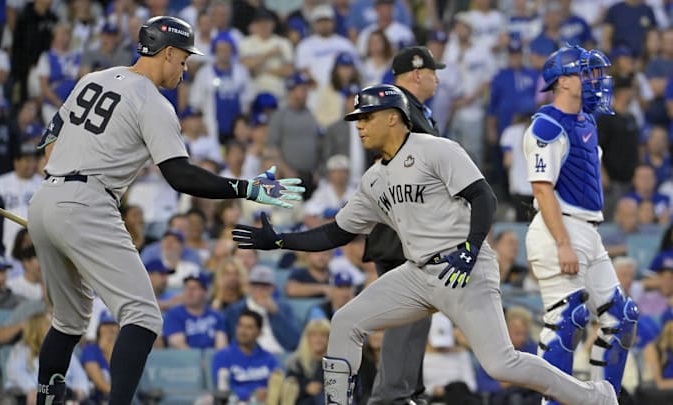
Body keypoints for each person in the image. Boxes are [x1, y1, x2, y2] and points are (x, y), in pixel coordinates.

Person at [232, 84, 617, 405]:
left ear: (393, 117)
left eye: (367, 117)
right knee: (346, 321)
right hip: (417, 273)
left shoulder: (436, 149)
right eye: (357, 119)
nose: (360, 126)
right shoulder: (372, 180)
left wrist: (469, 248)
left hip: (463, 268)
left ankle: (593, 397)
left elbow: (484, 197)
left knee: (501, 365)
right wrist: (280, 239)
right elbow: (336, 233)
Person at [27, 16, 304, 405]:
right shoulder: (152, 101)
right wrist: (247, 188)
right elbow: (180, 175)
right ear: (168, 51)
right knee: (143, 317)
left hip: (46, 197)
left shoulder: (93, 78)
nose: (186, 67)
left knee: (69, 322)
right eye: (185, 58)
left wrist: (60, 200)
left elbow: (48, 142)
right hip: (87, 202)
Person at [523, 45, 637, 404]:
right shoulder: (546, 125)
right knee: (566, 321)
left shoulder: (587, 121)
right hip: (559, 228)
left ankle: (605, 399)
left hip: (589, 231)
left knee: (622, 317)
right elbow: (542, 189)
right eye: (586, 74)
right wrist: (562, 243)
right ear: (562, 81)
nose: (595, 81)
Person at [362, 45, 445, 405]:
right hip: (400, 232)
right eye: (433, 72)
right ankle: (390, 396)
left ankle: (409, 391)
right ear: (416, 74)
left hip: (414, 231)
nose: (437, 79)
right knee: (407, 313)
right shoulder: (395, 110)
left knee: (420, 312)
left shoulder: (417, 112)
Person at [212, 309, 281, 403]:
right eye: (240, 326)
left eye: (249, 327)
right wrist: (253, 393)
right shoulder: (222, 356)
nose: (243, 331)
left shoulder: (269, 359)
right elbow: (223, 389)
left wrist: (268, 392)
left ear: (259, 333)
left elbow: (279, 383)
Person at [162, 272, 228, 349]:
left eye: (194, 288)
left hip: (212, 358)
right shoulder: (174, 314)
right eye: (187, 288)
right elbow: (179, 345)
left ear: (205, 292)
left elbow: (221, 346)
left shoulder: (216, 316)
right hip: (183, 359)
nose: (189, 292)